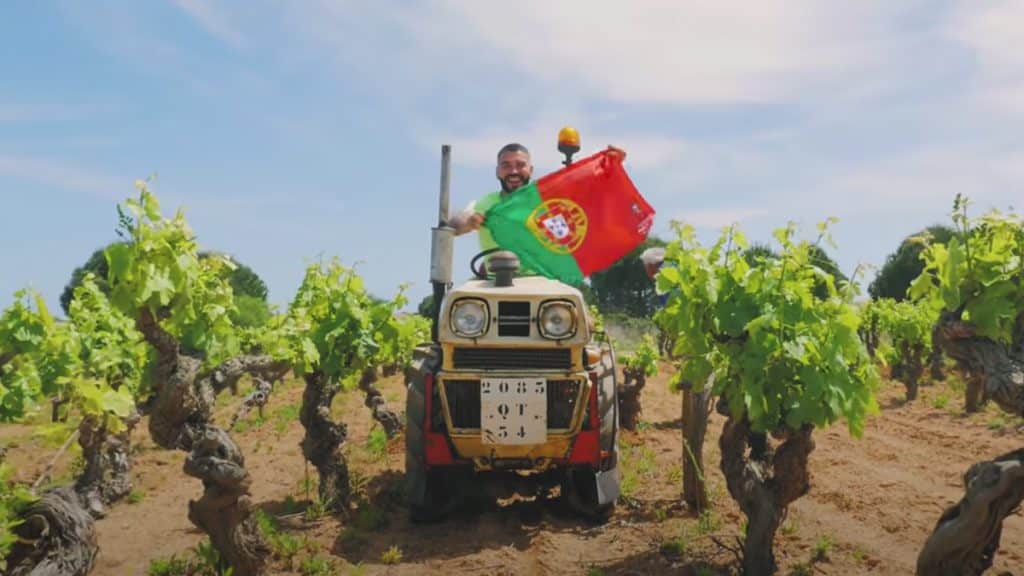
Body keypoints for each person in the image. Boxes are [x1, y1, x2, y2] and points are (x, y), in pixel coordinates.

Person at [449, 141, 627, 275]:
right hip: (493, 281)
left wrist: (610, 167)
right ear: (497, 172)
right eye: (506, 166)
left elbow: (588, 194)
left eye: (520, 165)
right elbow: (455, 225)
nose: (514, 171)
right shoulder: (487, 202)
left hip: (543, 280)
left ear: (531, 169)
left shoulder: (546, 198)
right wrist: (469, 222)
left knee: (581, 319)